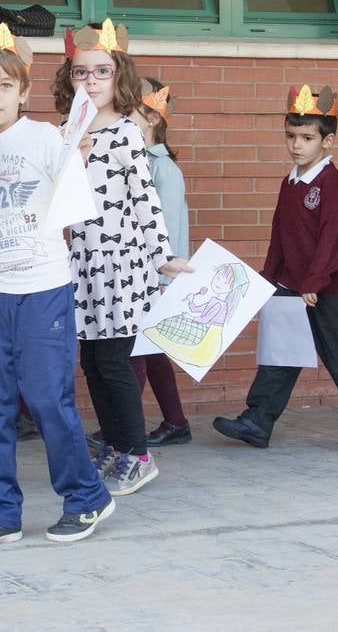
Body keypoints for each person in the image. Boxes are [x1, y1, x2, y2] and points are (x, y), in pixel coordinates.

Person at [0, 22, 116, 547]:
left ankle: (86, 498)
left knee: (48, 400)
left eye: (4, 86)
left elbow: (81, 200)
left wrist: (76, 164)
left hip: (45, 291)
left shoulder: (45, 138)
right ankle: (0, 512)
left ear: (23, 92)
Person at [213, 85, 338, 449]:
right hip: (291, 285)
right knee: (279, 353)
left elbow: (334, 240)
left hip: (326, 290)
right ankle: (258, 420)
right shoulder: (290, 183)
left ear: (328, 142)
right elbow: (280, 234)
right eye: (291, 136)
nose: (297, 145)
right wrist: (268, 278)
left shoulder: (333, 186)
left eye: (307, 138)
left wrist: (315, 281)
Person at [53, 20, 187, 496]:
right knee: (91, 362)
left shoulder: (127, 131)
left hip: (121, 265)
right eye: (80, 73)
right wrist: (74, 156)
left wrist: (162, 256)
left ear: (119, 77)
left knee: (113, 363)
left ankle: (138, 454)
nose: (90, 81)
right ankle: (115, 443)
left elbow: (144, 199)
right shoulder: (67, 132)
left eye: (101, 72)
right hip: (82, 264)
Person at [127, 79, 193, 447]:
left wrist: (164, 280)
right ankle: (176, 421)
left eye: (130, 113)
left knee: (137, 353)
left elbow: (167, 227)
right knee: (150, 354)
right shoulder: (135, 161)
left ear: (152, 117)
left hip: (155, 277)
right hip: (138, 274)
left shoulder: (163, 168)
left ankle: (123, 426)